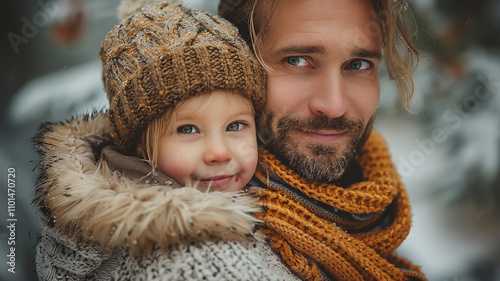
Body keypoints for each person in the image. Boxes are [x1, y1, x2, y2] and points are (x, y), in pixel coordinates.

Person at [33, 3, 279, 280]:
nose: (219, 153)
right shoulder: (199, 261)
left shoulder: (271, 198)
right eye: (188, 130)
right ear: (139, 146)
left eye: (235, 126)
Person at [216, 0, 428, 280]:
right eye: (297, 60)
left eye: (358, 64)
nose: (334, 105)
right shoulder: (202, 252)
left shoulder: (374, 221)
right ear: (235, 65)